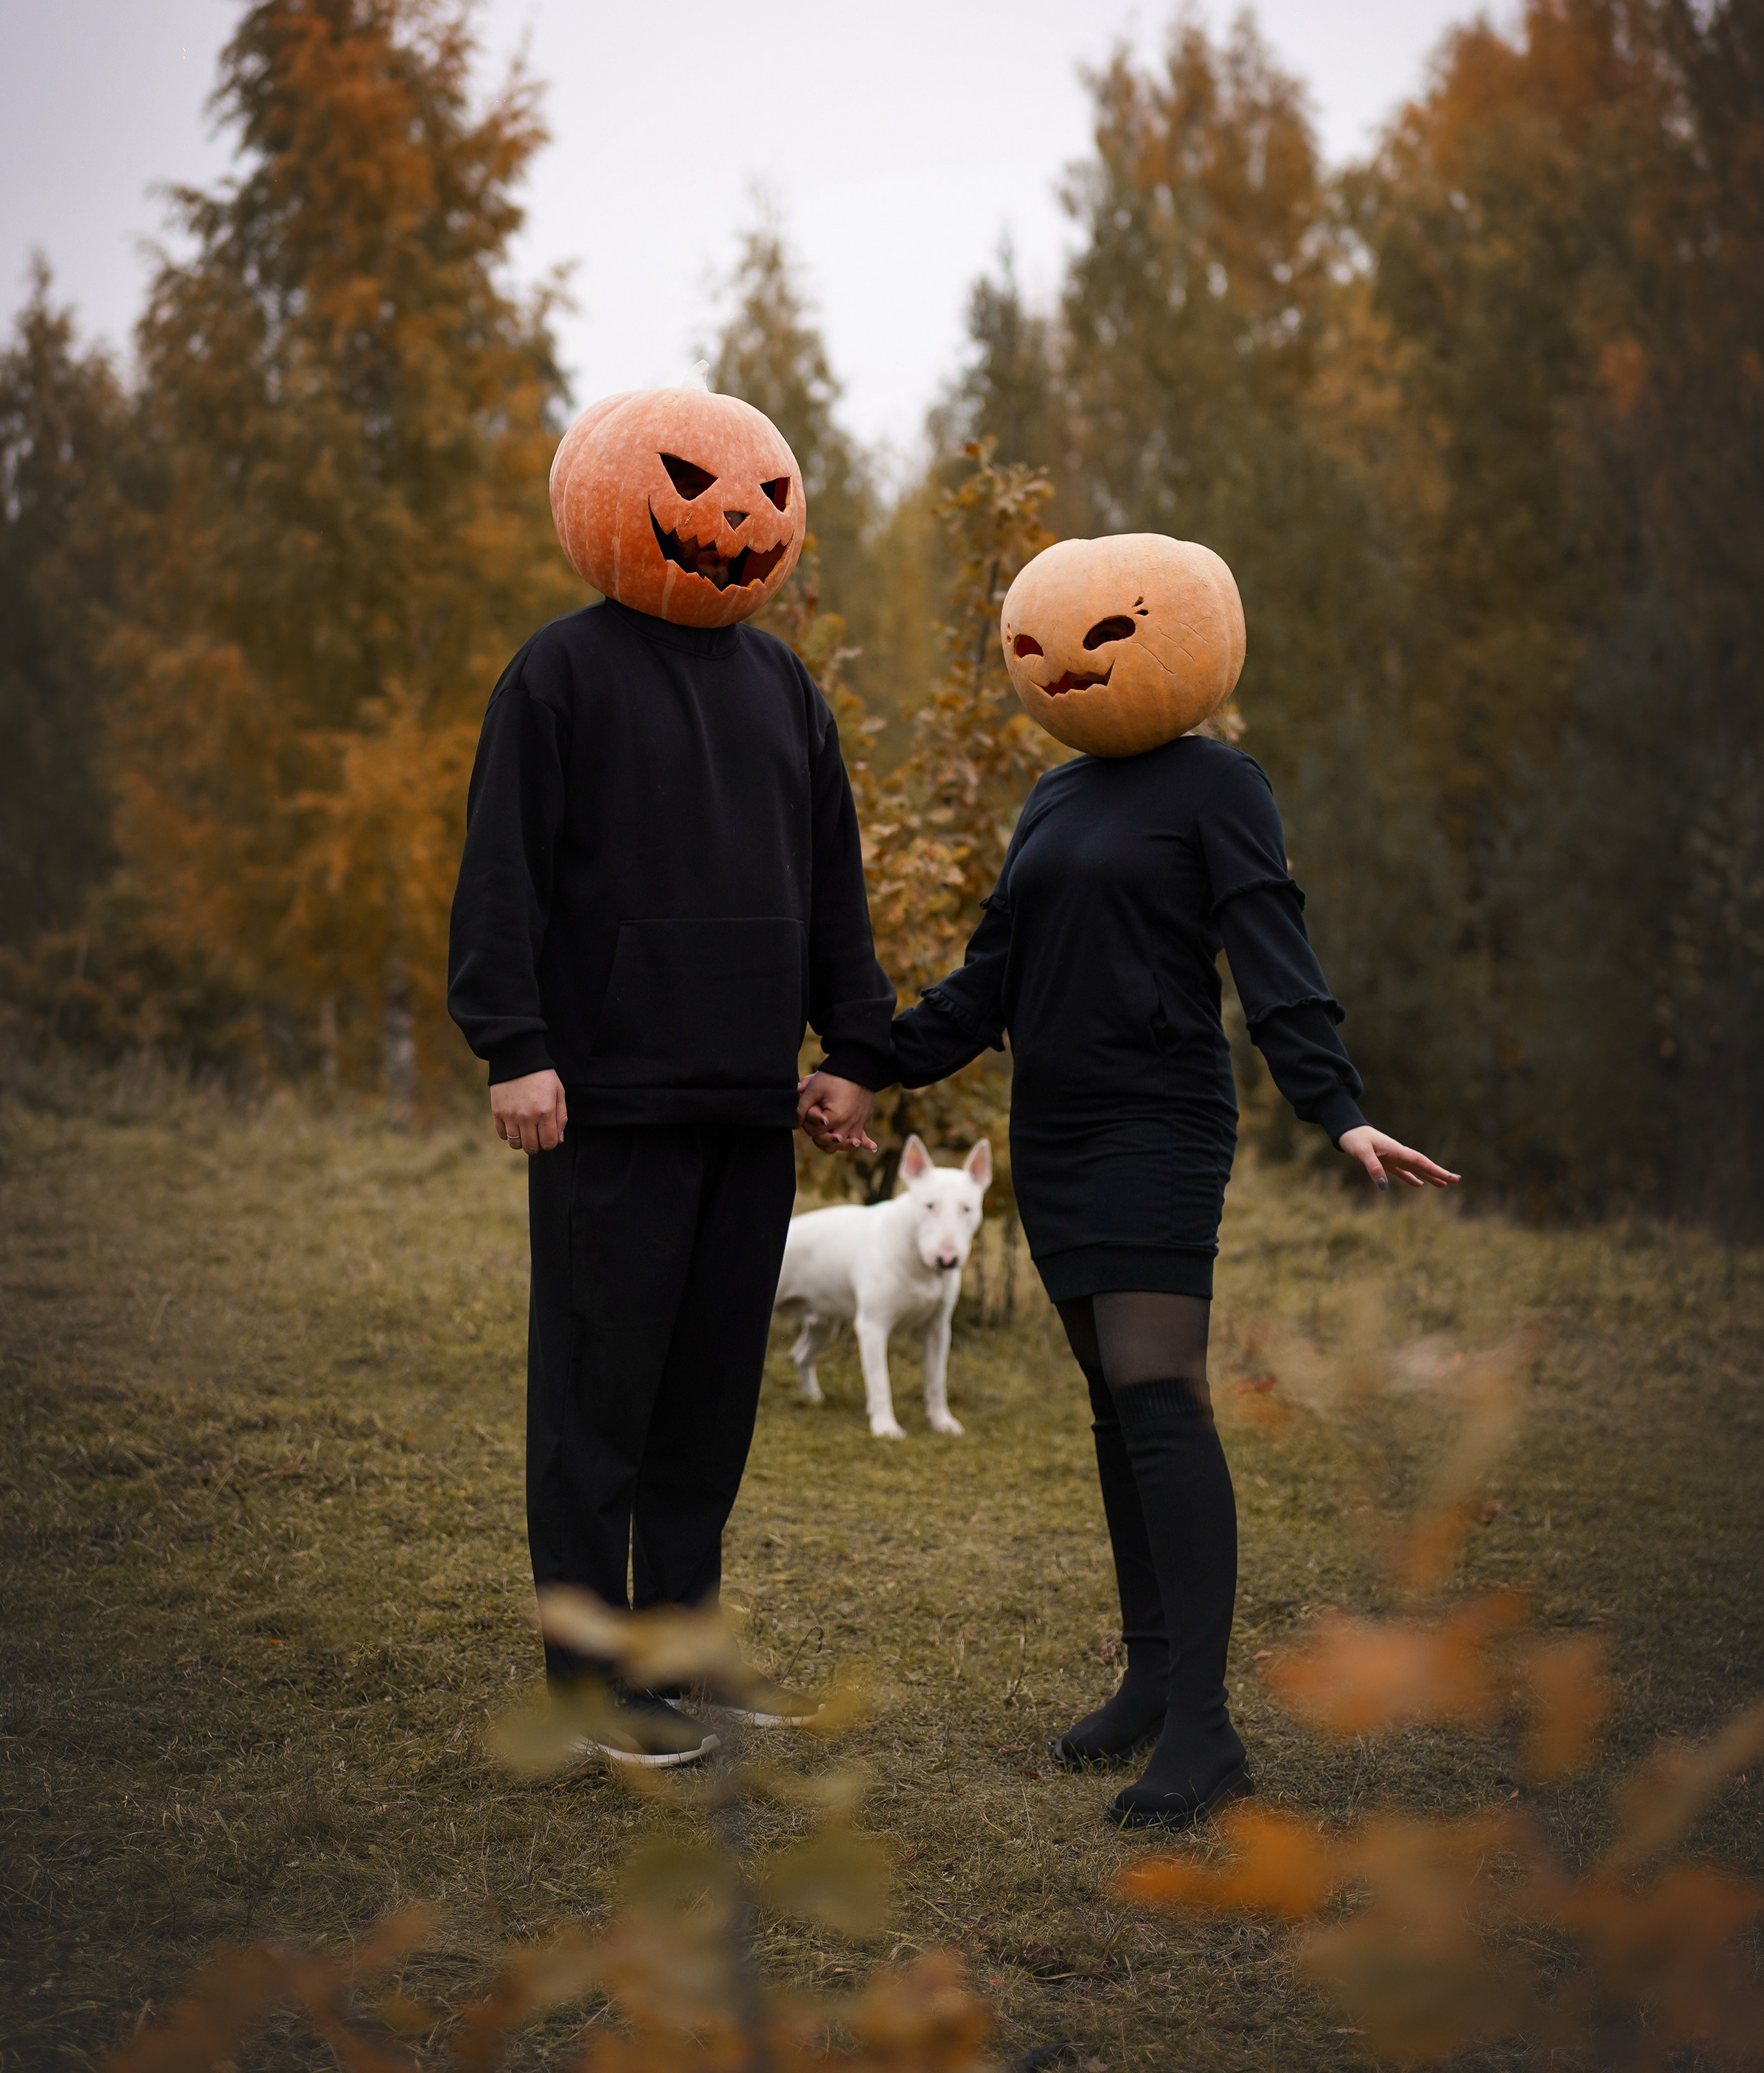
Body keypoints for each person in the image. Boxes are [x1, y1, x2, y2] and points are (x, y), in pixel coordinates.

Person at [799, 531, 1457, 1830]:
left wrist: (1334, 1108)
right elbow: (991, 980)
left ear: (1172, 644)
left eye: (1107, 636)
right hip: (1056, 1133)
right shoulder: (1054, 799)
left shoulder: (1220, 785)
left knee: (1160, 1402)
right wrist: (862, 1065)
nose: (1072, 664)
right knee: (1112, 1408)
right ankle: (1150, 1682)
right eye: (1047, 644)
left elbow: (1271, 947)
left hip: (1159, 1125)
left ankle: (1207, 1733)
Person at [450, 374, 888, 1767]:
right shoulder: (558, 673)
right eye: (702, 486)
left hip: (749, 1111)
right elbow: (500, 878)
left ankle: (681, 1658)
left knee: (704, 1407)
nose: (740, 514)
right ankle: (590, 1687)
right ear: (626, 497)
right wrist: (515, 1045)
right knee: (597, 1409)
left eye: (764, 491)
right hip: (608, 1107)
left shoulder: (782, 686)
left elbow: (832, 889)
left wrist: (851, 1055)